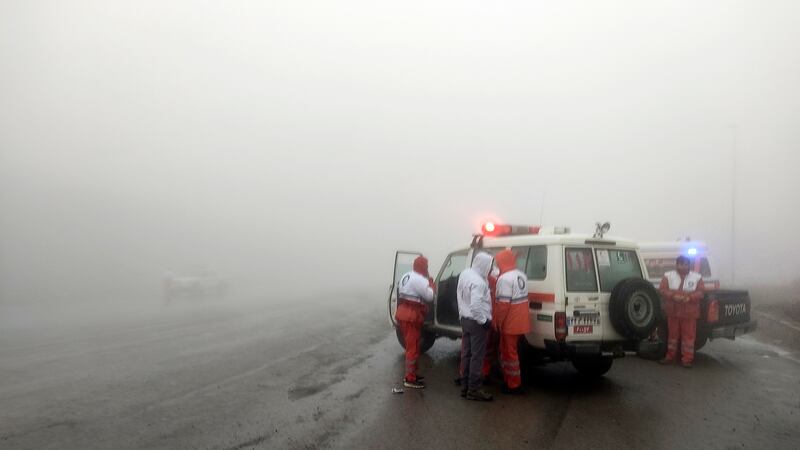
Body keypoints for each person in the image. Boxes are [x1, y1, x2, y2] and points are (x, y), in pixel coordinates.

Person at [457, 251, 494, 401]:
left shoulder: (465, 274)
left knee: (466, 354)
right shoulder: (478, 282)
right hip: (476, 322)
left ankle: (465, 386)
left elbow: (460, 294)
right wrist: (484, 321)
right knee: (477, 357)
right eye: (490, 266)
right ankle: (474, 389)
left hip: (465, 319)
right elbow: (476, 305)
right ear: (484, 265)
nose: (491, 269)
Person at [493, 249, 531, 394]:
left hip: (510, 321)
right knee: (511, 352)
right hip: (521, 320)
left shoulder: (504, 279)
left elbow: (503, 304)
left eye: (498, 261)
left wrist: (498, 321)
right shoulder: (521, 275)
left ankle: (514, 384)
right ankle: (511, 381)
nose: (497, 264)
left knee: (510, 354)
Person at [659, 255, 705, 368]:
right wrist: (673, 296)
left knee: (688, 338)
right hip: (673, 312)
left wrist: (689, 298)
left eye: (685, 264)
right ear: (676, 264)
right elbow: (662, 290)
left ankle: (687, 359)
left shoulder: (697, 277)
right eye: (681, 264)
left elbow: (701, 292)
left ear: (689, 265)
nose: (683, 266)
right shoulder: (668, 276)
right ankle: (670, 357)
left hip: (689, 313)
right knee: (672, 336)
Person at [395, 256, 435, 388]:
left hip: (403, 313)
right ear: (423, 267)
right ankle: (410, 379)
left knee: (413, 345)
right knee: (413, 348)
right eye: (427, 267)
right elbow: (429, 296)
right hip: (411, 315)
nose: (427, 269)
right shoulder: (420, 279)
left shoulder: (406, 275)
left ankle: (413, 374)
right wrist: (431, 284)